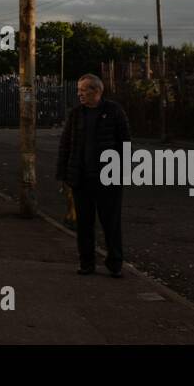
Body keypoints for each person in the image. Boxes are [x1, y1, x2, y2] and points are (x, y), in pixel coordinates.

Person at [57, 73, 130, 277]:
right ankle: (86, 263)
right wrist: (63, 174)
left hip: (108, 179)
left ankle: (115, 263)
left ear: (96, 91)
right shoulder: (76, 114)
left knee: (111, 223)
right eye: (78, 90)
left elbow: (125, 143)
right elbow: (66, 144)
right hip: (81, 179)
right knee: (84, 224)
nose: (79, 94)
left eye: (83, 90)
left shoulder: (114, 111)